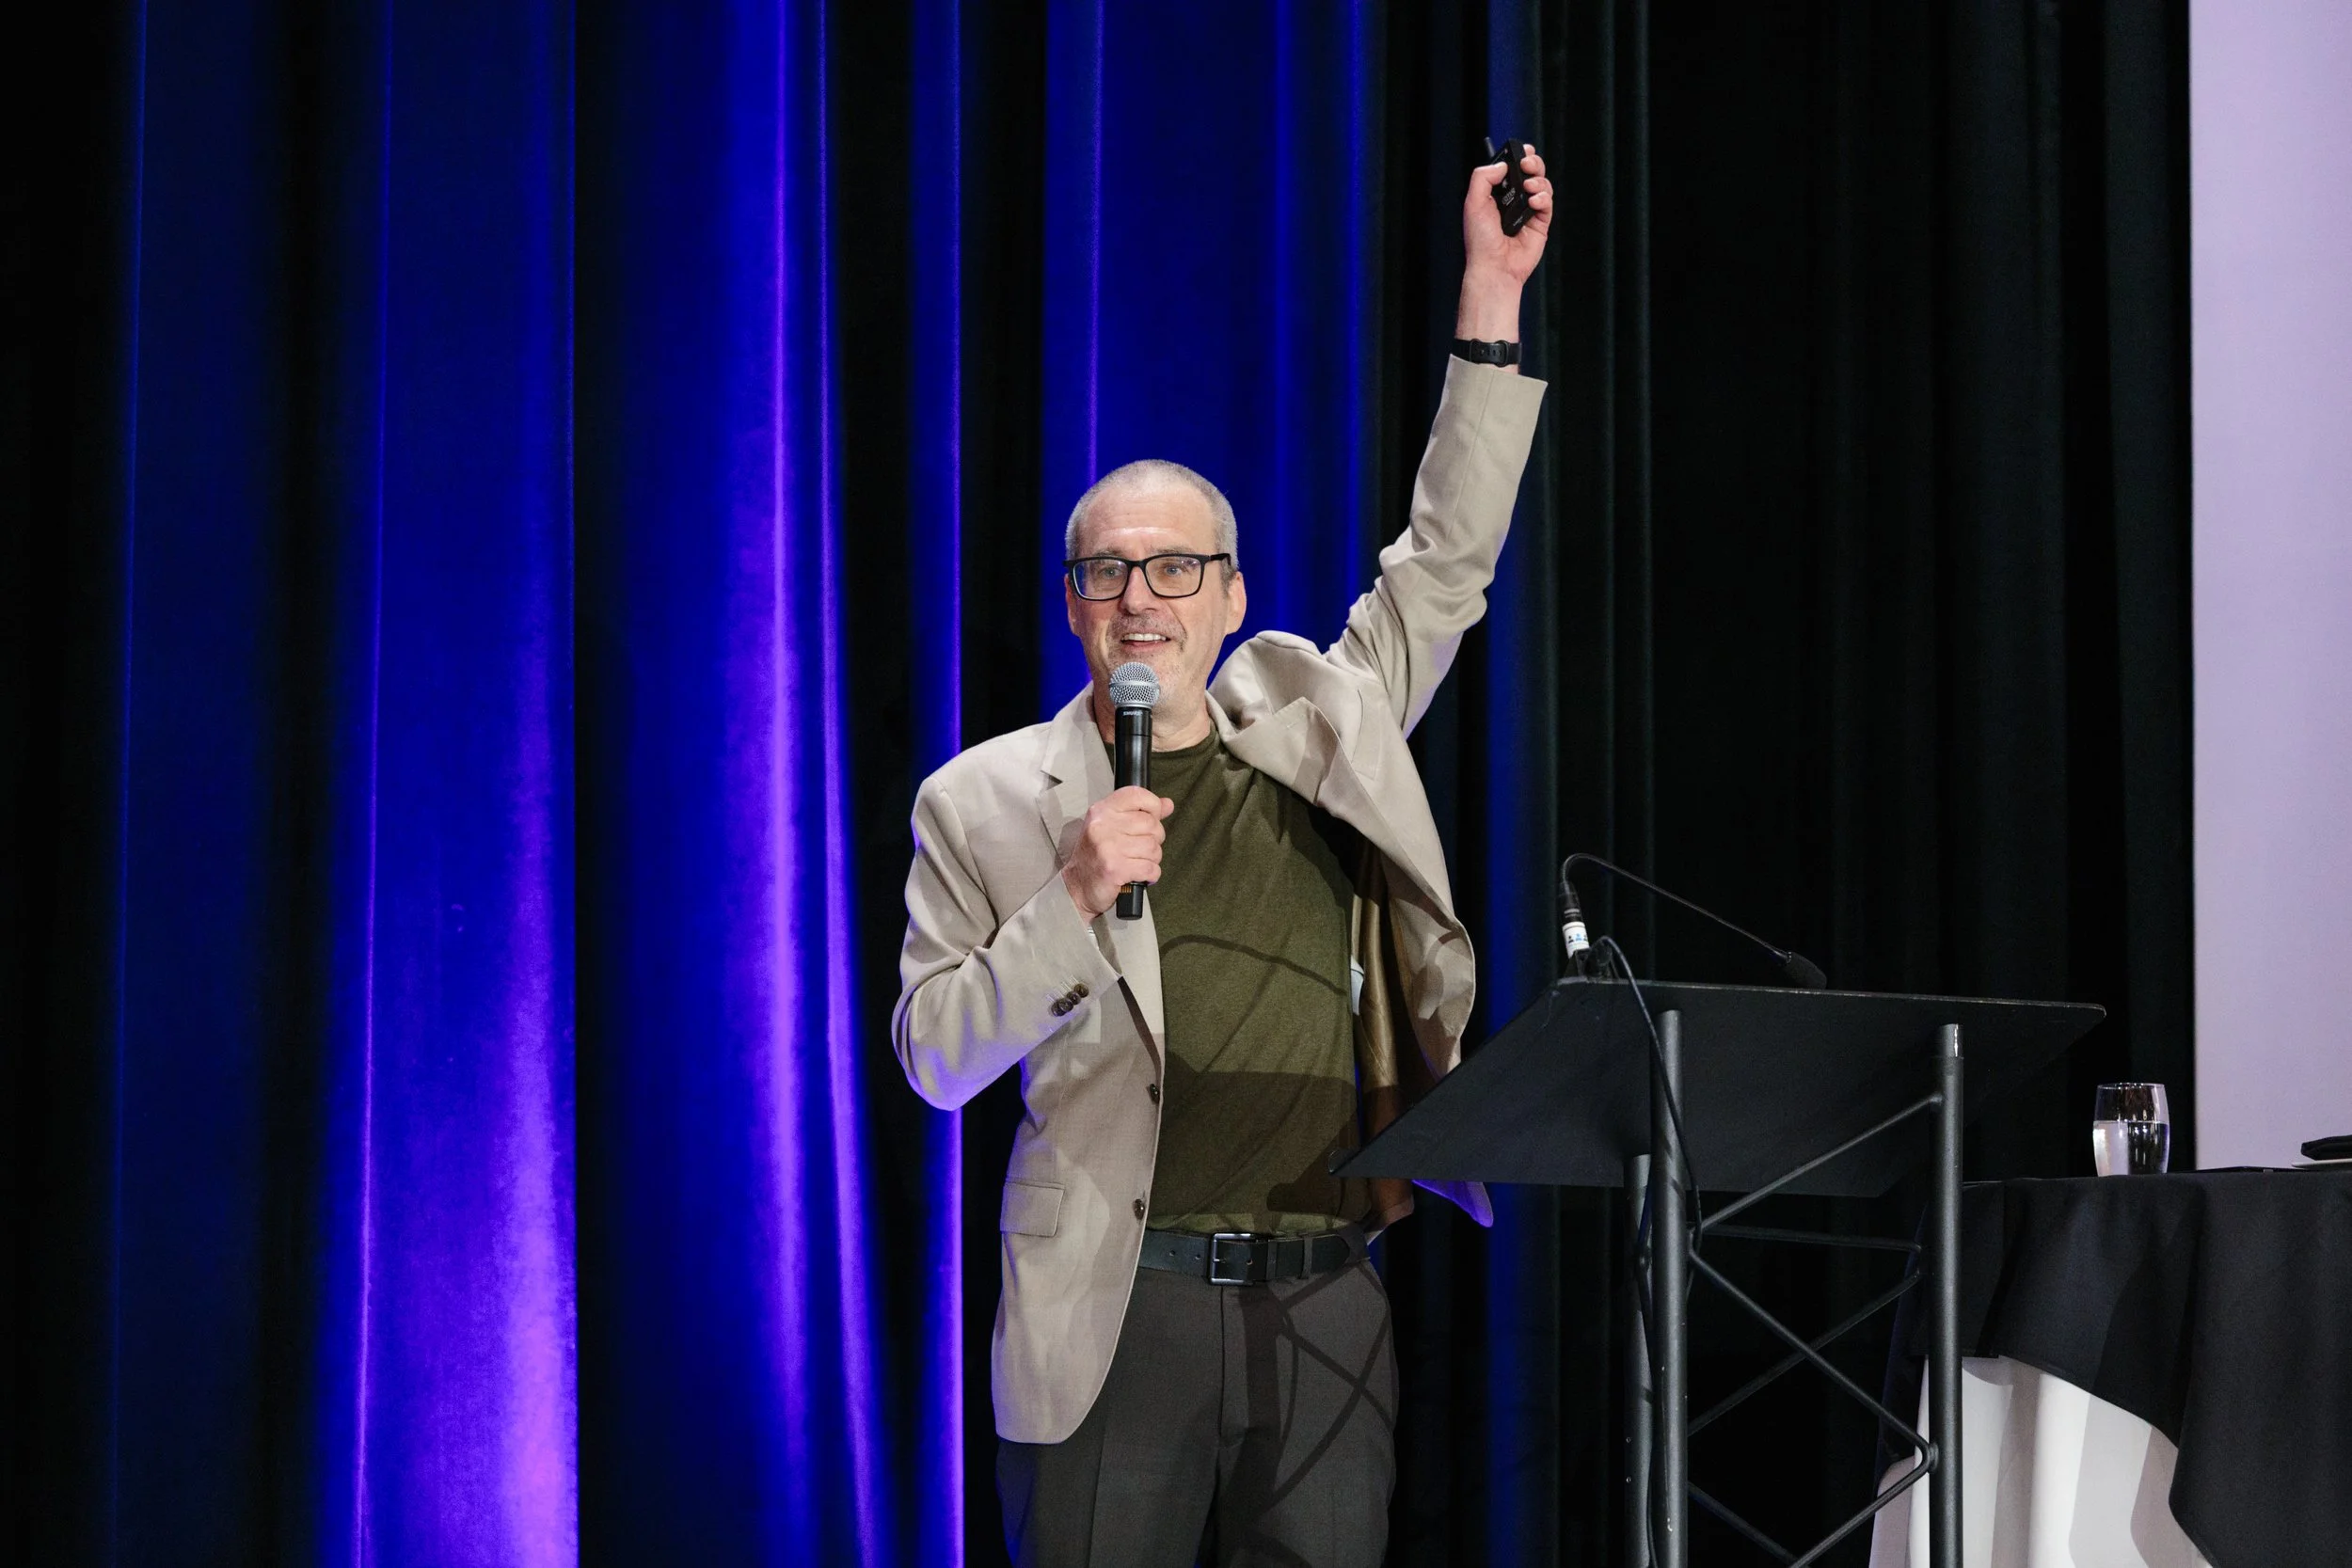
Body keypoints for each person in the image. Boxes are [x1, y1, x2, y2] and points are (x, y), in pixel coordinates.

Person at [893, 147, 1553, 1567]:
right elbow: (934, 1055)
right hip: (1114, 1304)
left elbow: (1445, 560)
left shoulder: (1326, 724)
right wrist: (1070, 899)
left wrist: (1491, 297)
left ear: (1232, 592)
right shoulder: (984, 799)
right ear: (1074, 604)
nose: (1142, 598)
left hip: (1323, 1296)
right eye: (1108, 572)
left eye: (1175, 568)